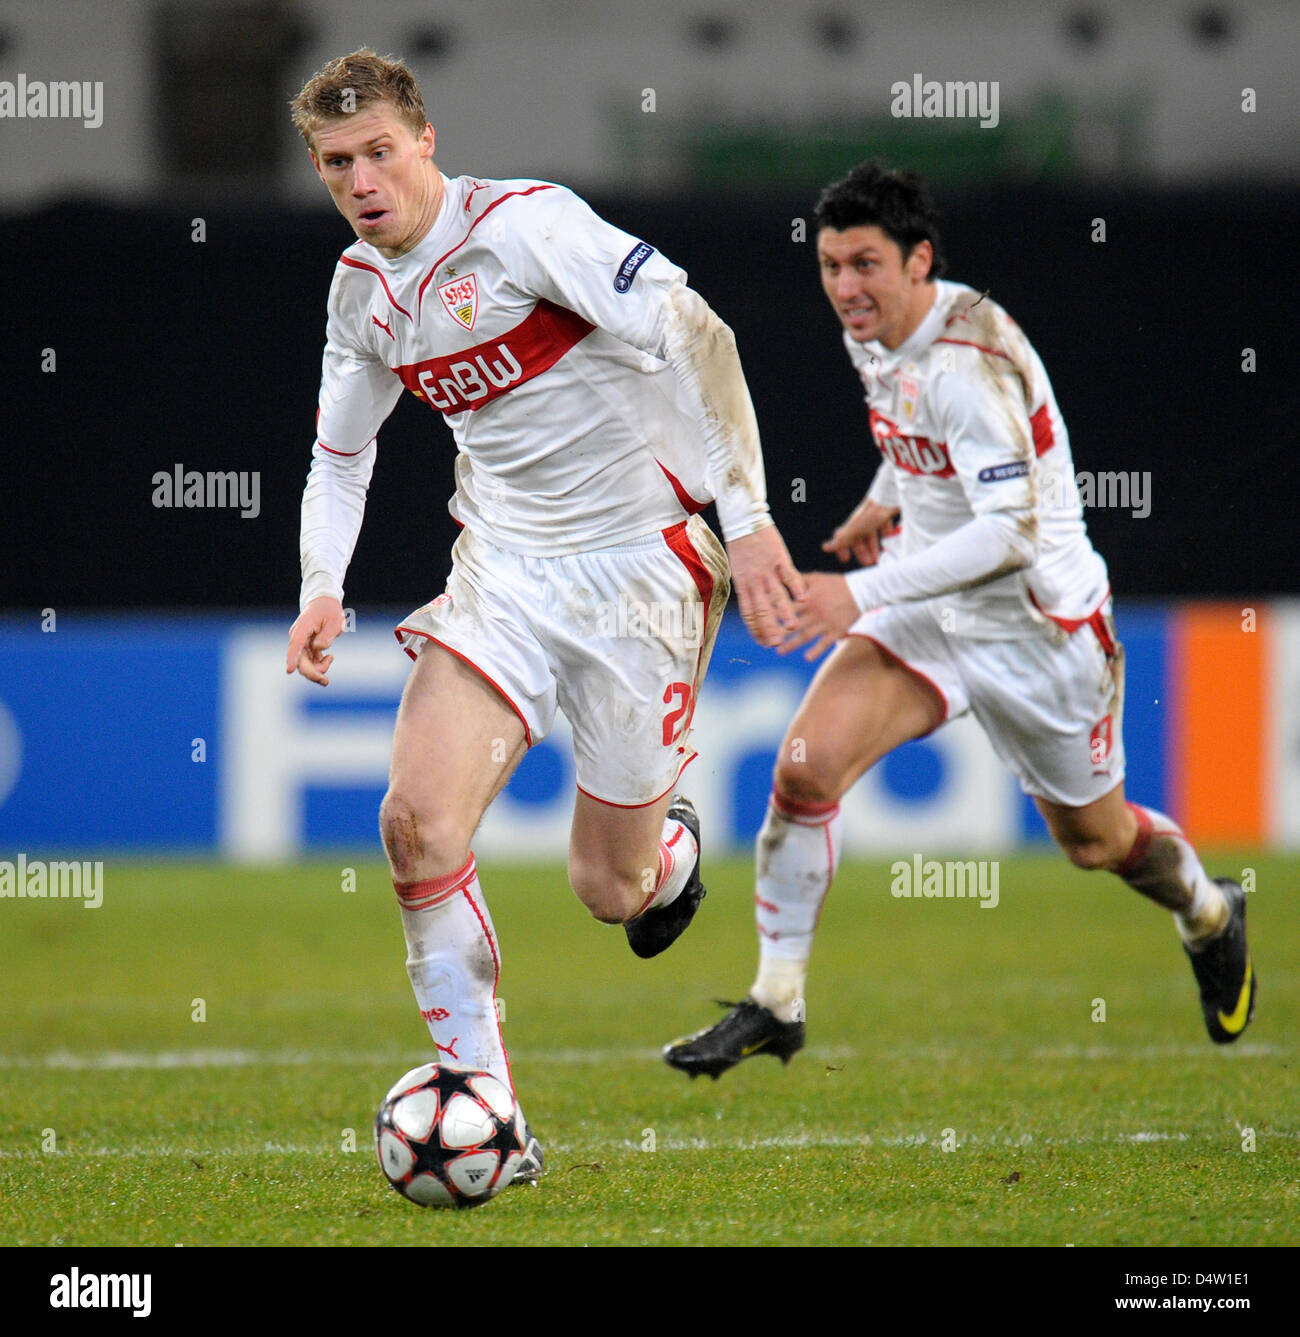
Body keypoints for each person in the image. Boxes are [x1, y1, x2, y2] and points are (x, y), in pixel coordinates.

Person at [283, 49, 803, 1175]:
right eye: (337, 165)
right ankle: (492, 1113)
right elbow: (339, 455)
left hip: (641, 571)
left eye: (380, 152)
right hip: (505, 572)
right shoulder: (361, 294)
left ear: (424, 141)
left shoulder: (525, 228)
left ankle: (665, 855)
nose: (363, 180)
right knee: (415, 825)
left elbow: (699, 334)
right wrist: (322, 585)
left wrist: (749, 519)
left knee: (607, 890)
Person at [664, 161, 1255, 1079]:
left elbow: (1013, 532)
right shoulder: (886, 329)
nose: (845, 287)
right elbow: (917, 434)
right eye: (829, 265)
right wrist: (883, 497)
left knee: (1096, 842)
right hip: (930, 605)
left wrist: (854, 591)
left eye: (864, 264)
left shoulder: (963, 364)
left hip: (1038, 629)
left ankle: (1209, 911)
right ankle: (777, 1000)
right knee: (804, 772)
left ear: (919, 260)